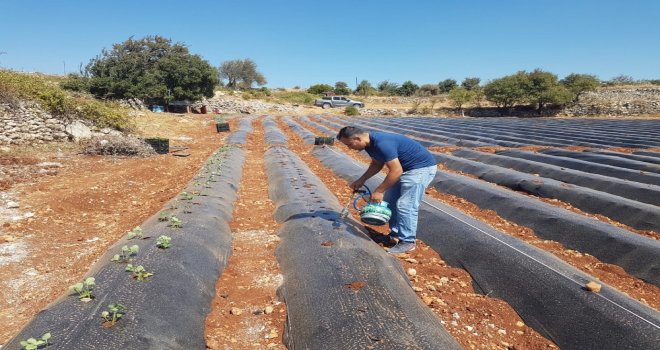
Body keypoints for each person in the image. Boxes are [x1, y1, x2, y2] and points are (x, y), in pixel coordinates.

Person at [337, 126, 437, 254]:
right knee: (390, 201)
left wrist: (379, 190)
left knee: (406, 205)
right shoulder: (369, 145)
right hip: (404, 169)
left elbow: (396, 170)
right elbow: (376, 164)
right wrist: (362, 180)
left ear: (358, 138)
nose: (349, 148)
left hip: (420, 169)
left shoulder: (382, 143)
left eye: (350, 144)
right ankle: (395, 235)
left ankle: (408, 241)